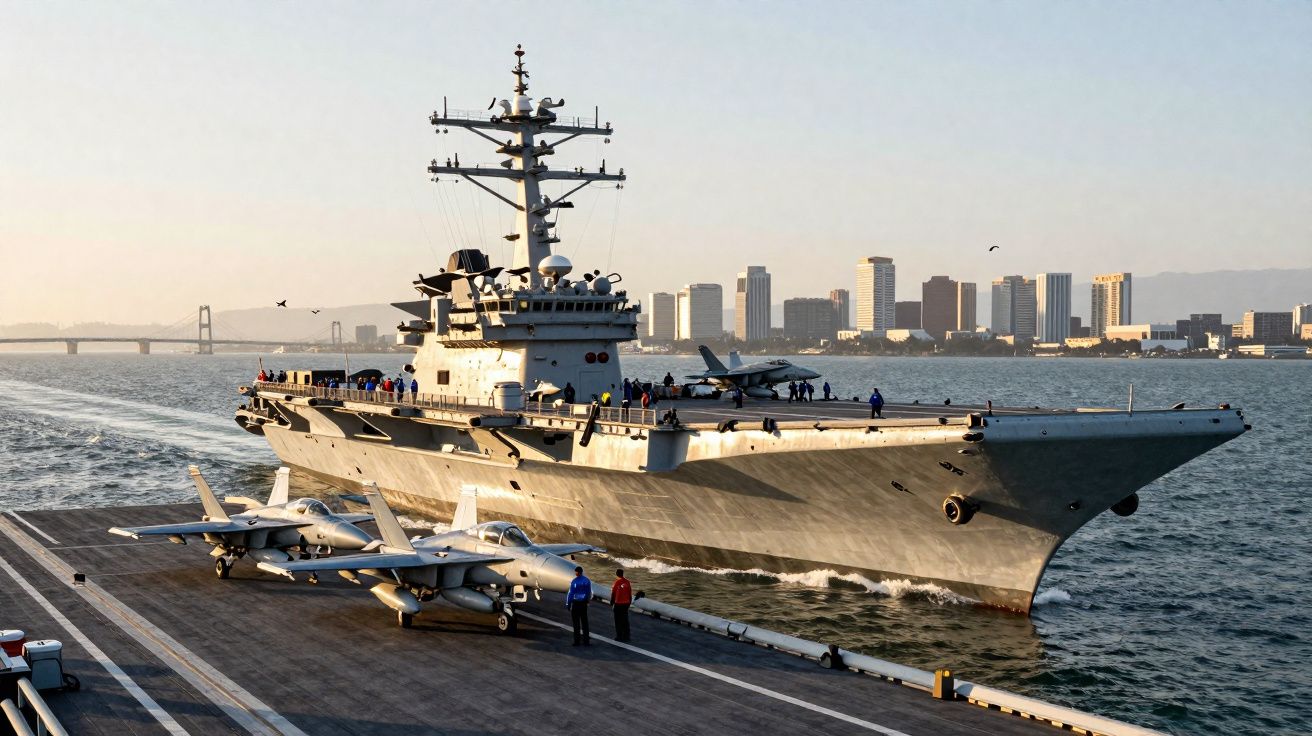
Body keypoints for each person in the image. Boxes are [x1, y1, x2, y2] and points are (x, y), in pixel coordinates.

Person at [566, 566, 592, 646]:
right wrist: (587, 601)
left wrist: (568, 604)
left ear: (577, 572)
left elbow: (570, 593)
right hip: (583, 603)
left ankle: (576, 641)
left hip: (576, 604)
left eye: (576, 572)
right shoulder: (587, 580)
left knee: (576, 623)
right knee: (585, 622)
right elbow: (589, 592)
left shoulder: (574, 581)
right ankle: (586, 641)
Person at [611, 569, 633, 642]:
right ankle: (627, 636)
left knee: (618, 620)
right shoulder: (627, 582)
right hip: (626, 603)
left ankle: (619, 636)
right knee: (625, 620)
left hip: (618, 604)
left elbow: (613, 594)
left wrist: (612, 603)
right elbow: (630, 593)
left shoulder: (617, 582)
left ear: (617, 574)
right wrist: (629, 602)